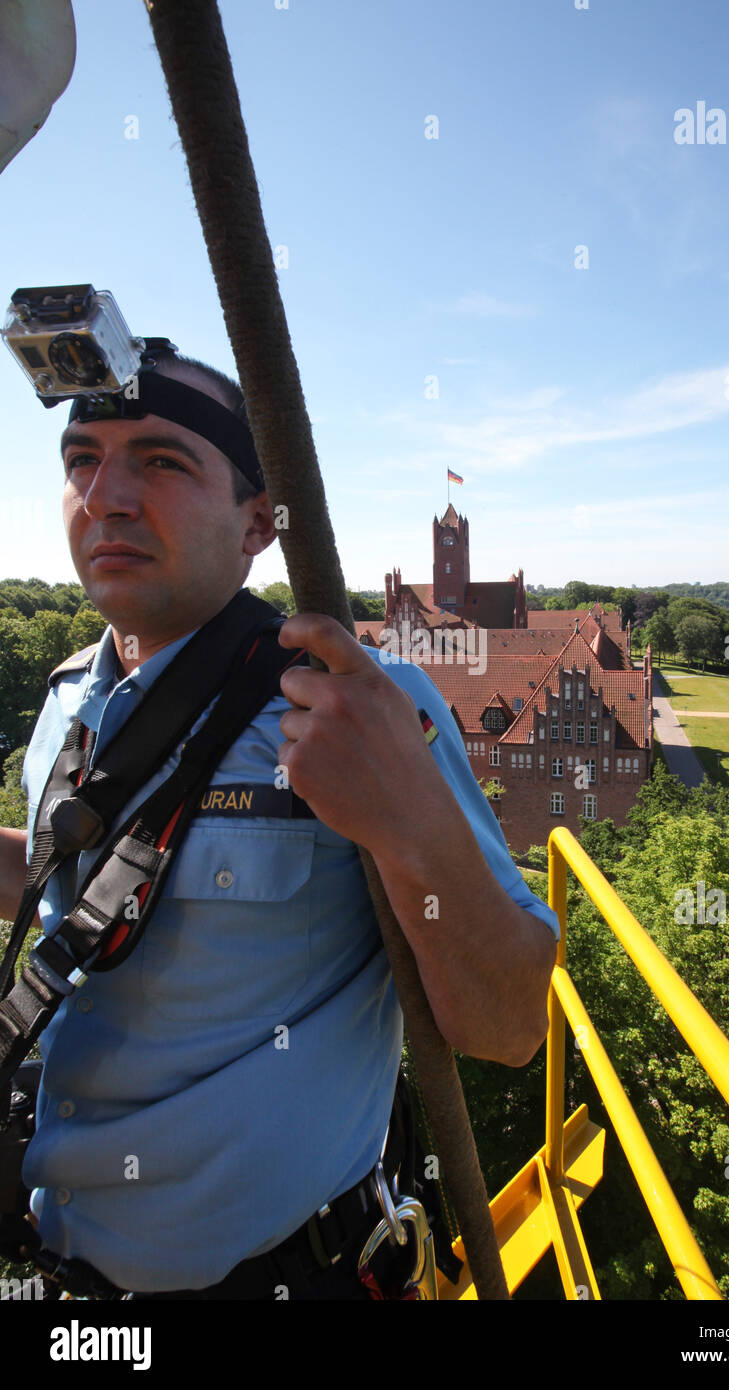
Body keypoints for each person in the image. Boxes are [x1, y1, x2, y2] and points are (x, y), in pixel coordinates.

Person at [0, 347, 559, 1299]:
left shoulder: (361, 706)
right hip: (56, 1266)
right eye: (80, 459)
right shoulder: (65, 707)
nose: (105, 497)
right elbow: (92, 887)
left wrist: (405, 820)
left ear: (260, 522)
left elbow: (509, 1025)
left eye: (163, 462)